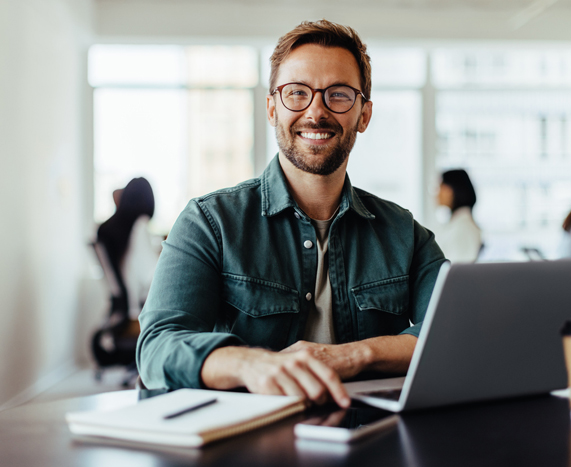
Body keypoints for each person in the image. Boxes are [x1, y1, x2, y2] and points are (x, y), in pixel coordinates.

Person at [136, 20, 446, 408]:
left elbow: (453, 334)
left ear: (363, 115)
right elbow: (157, 347)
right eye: (297, 93)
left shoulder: (406, 235)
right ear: (271, 108)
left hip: (372, 440)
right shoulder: (209, 222)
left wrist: (353, 355)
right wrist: (250, 363)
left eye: (338, 95)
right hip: (246, 445)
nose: (316, 112)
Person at [97, 177, 160, 320]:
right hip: (139, 313)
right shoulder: (140, 226)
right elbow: (150, 277)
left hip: (118, 312)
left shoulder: (108, 229)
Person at [435, 169, 482, 263]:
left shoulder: (463, 227)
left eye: (440, 187)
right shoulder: (458, 223)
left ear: (452, 190)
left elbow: (455, 270)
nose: (437, 193)